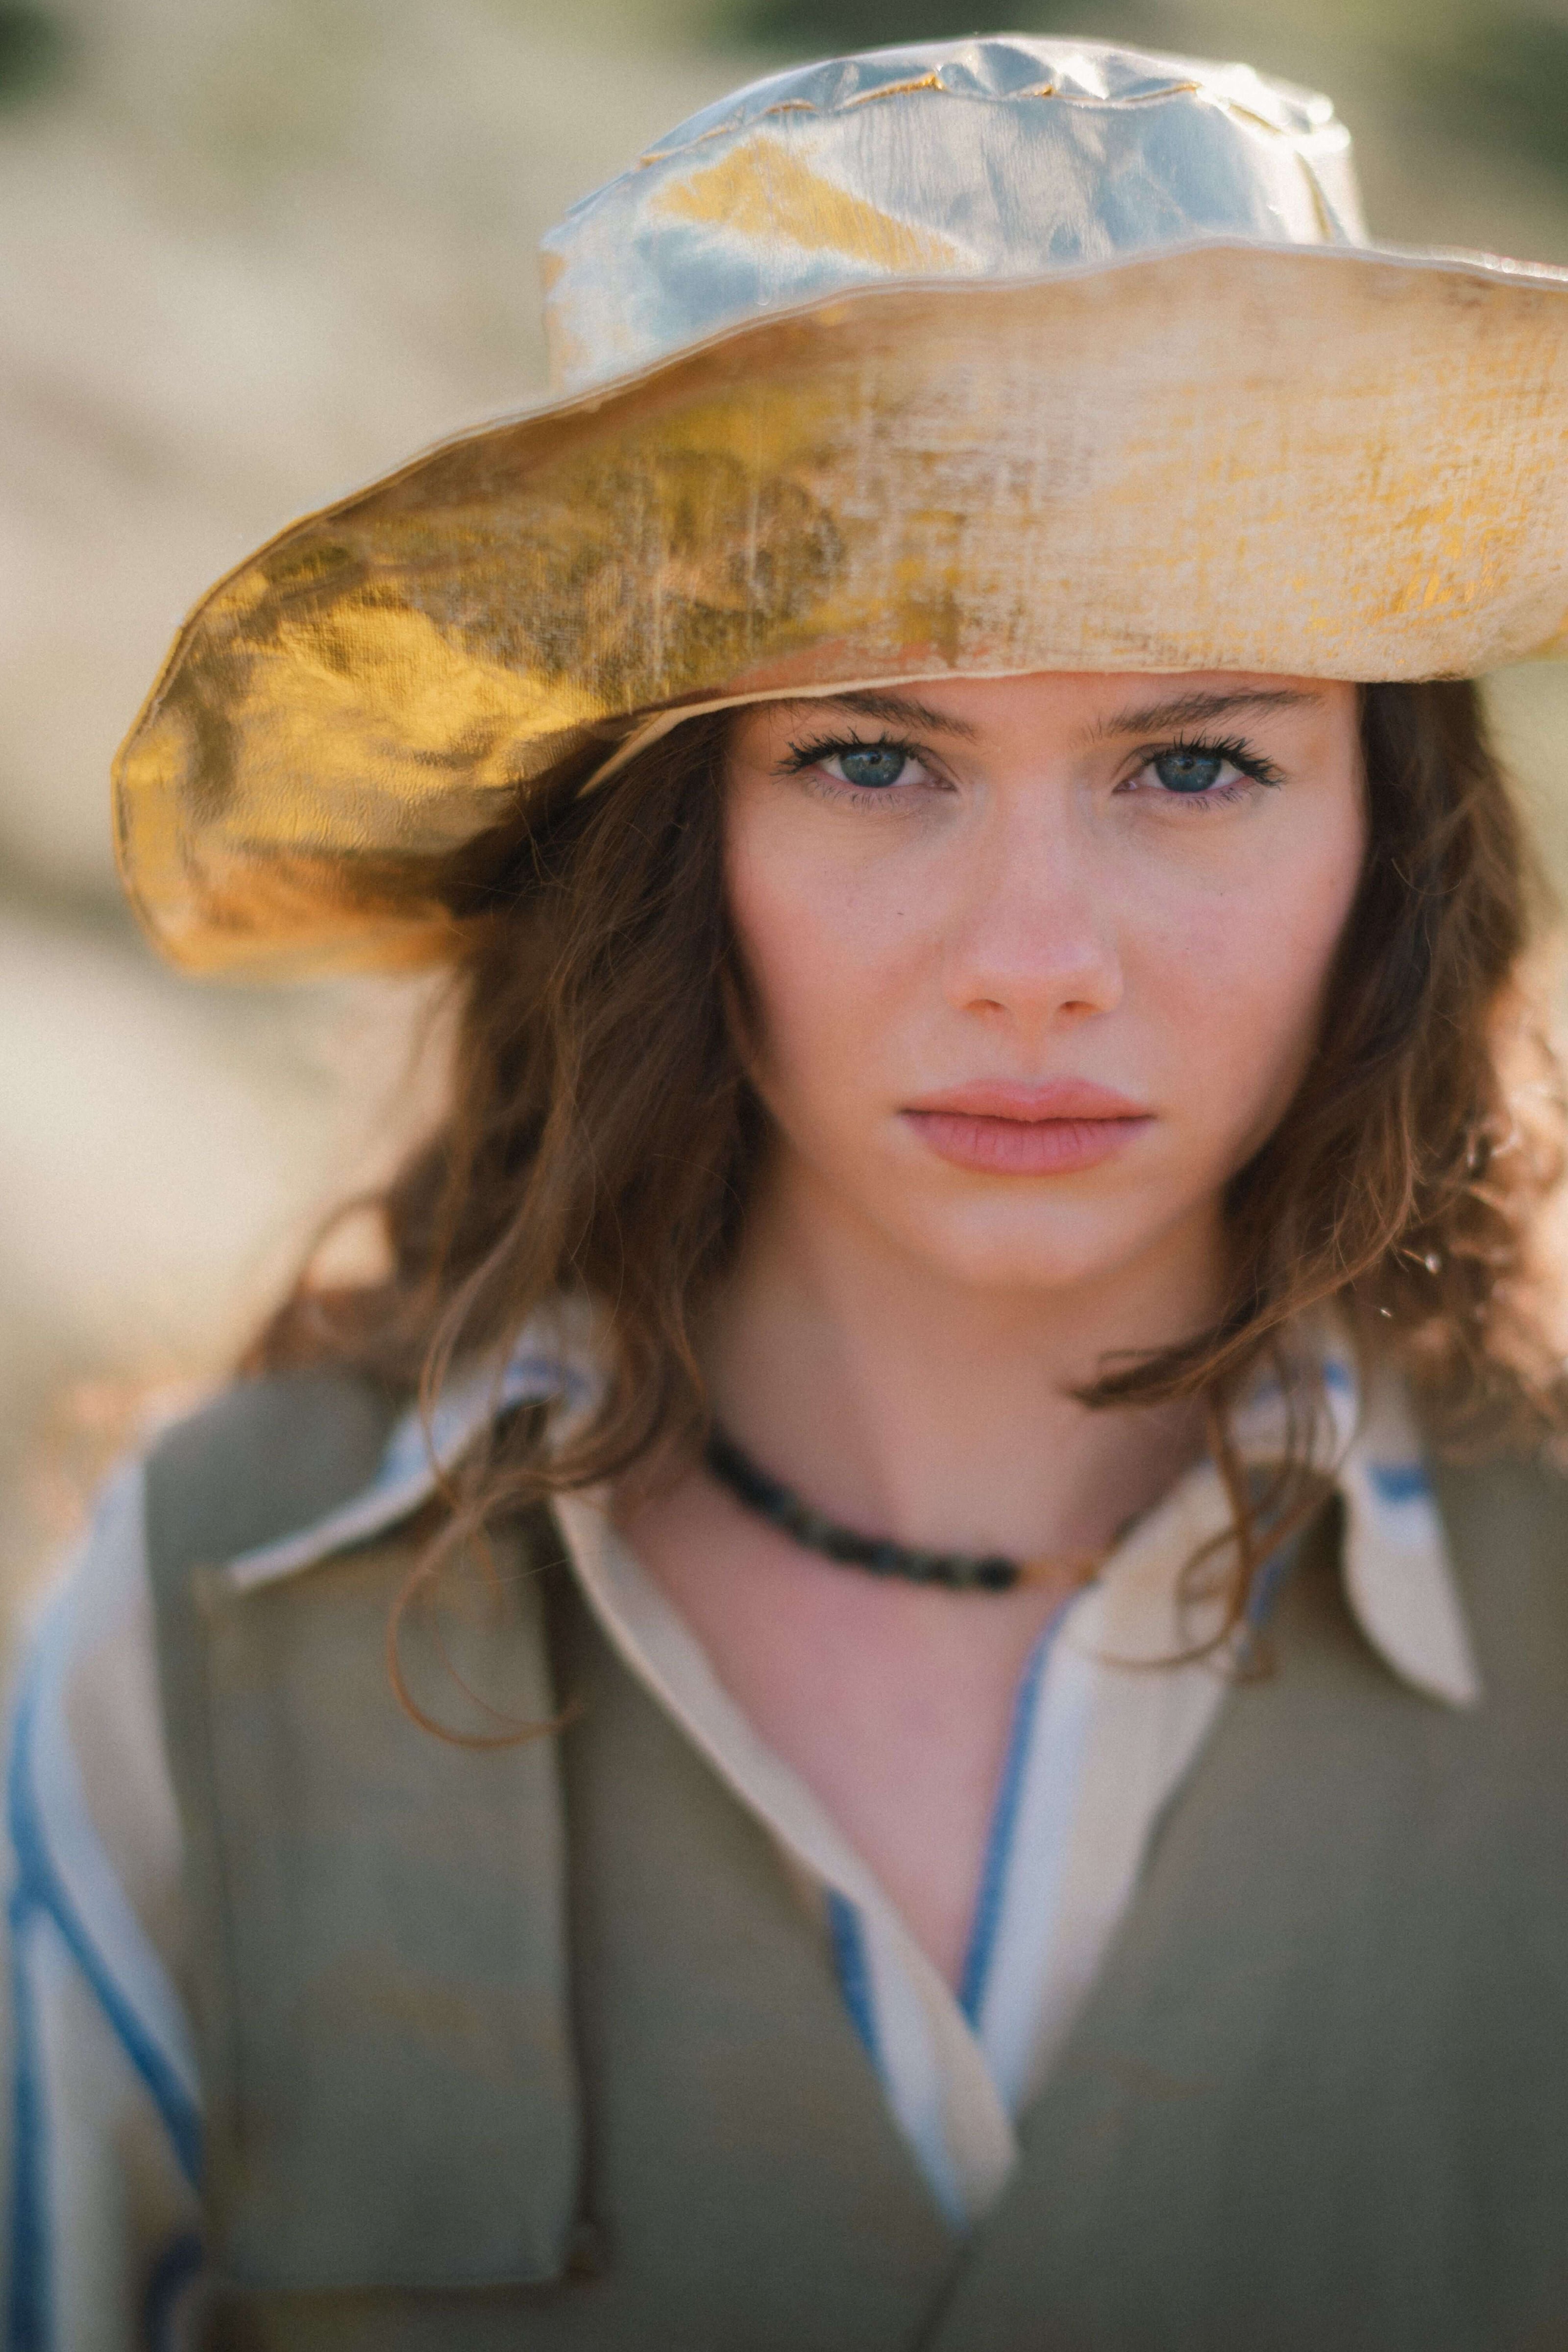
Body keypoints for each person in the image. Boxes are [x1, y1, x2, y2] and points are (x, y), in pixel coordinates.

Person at [9, 31, 1568, 2350]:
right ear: (666, 845)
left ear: (1388, 832)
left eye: (1194, 762)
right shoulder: (222, 1615)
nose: (1033, 962)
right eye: (867, 755)